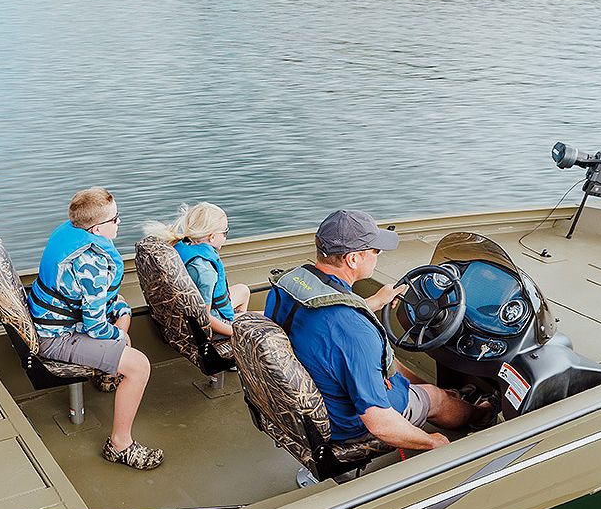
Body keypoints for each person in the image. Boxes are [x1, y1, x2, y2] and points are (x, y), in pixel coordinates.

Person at [263, 210, 487, 451]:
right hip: (343, 424)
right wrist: (434, 442)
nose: (378, 256)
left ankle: (446, 393)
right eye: (375, 250)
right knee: (434, 397)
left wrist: (373, 303)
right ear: (353, 259)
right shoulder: (356, 333)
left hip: (309, 399)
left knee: (396, 368)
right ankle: (482, 414)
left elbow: (323, 318)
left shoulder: (288, 287)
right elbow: (380, 424)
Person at [30, 187, 162, 470]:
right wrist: (122, 331)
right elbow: (95, 327)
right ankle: (120, 444)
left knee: (121, 308)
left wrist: (119, 312)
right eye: (116, 219)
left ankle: (108, 374)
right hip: (55, 337)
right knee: (139, 365)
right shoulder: (91, 262)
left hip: (51, 318)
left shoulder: (70, 232)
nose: (120, 222)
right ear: (99, 228)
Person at [143, 202, 251, 337]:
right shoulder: (205, 272)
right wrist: (234, 332)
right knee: (271, 318)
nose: (225, 237)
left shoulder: (182, 245)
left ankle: (234, 323)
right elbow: (203, 318)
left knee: (243, 291)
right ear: (212, 237)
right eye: (225, 232)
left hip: (191, 311)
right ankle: (233, 334)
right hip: (213, 323)